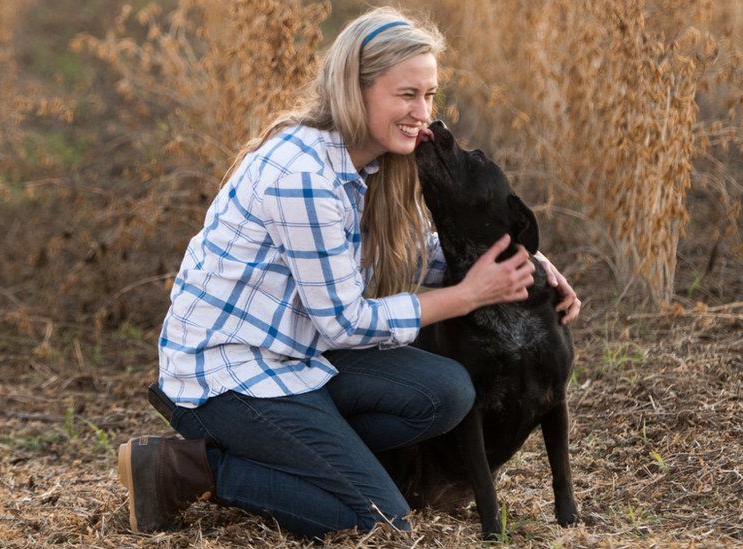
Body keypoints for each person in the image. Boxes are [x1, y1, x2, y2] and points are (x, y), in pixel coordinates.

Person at [117, 6, 582, 540]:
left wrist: (528, 262)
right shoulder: (304, 176)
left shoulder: (367, 166)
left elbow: (406, 254)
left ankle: (314, 457)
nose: (423, 113)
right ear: (354, 91)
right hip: (231, 377)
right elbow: (345, 322)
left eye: (429, 96)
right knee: (380, 521)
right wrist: (467, 295)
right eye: (406, 95)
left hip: (303, 359)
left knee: (447, 392)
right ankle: (189, 469)